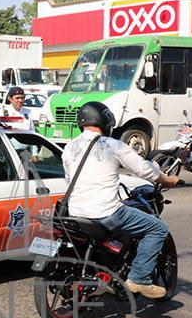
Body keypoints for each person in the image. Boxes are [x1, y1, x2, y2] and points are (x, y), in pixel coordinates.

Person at [63, 102, 180, 299]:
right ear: (104, 120)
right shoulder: (112, 145)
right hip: (106, 212)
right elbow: (143, 169)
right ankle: (139, 279)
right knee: (158, 229)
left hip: (75, 212)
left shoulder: (69, 147)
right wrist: (166, 179)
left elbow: (70, 179)